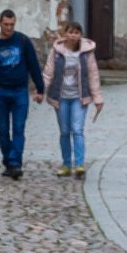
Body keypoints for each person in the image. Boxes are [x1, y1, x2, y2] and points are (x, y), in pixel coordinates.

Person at [0, 10, 45, 180]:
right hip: (1, 92)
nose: (9, 28)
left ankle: (15, 162)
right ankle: (8, 161)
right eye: (6, 24)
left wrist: (40, 88)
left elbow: (33, 66)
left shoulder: (23, 41)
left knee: (18, 127)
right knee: (3, 129)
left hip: (19, 91)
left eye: (12, 25)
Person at [42, 20, 103, 177]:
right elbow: (49, 72)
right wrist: (41, 90)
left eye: (76, 32)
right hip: (61, 97)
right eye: (70, 32)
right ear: (65, 34)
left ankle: (80, 165)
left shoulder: (86, 52)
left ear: (80, 35)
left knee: (77, 130)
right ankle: (66, 164)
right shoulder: (56, 51)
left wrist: (97, 98)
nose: (73, 35)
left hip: (79, 97)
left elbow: (93, 74)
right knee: (64, 131)